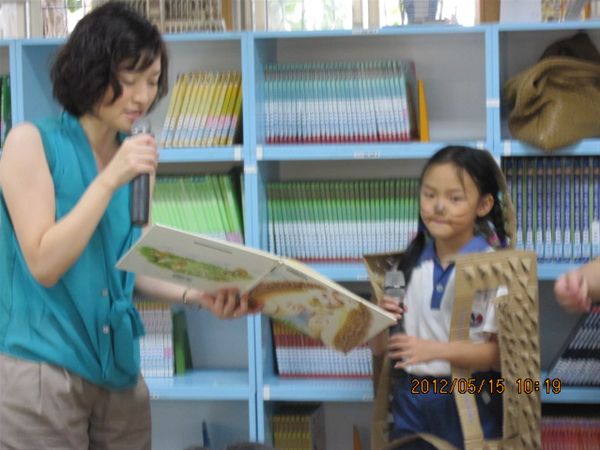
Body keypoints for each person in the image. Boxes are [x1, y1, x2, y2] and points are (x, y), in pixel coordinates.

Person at [0, 2, 249, 449]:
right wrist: (110, 178)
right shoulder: (29, 143)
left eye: (152, 81)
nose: (142, 97)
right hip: (42, 373)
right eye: (129, 80)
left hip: (118, 371)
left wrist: (198, 294)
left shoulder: (136, 155)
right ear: (90, 72)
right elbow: (44, 263)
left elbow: (133, 261)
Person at [370, 145, 511, 449]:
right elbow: (381, 349)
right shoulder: (403, 267)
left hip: (469, 397)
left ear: (484, 204)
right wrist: (378, 320)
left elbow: (497, 355)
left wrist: (435, 351)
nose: (438, 207)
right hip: (410, 398)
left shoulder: (494, 268)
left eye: (454, 198)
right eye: (429, 195)